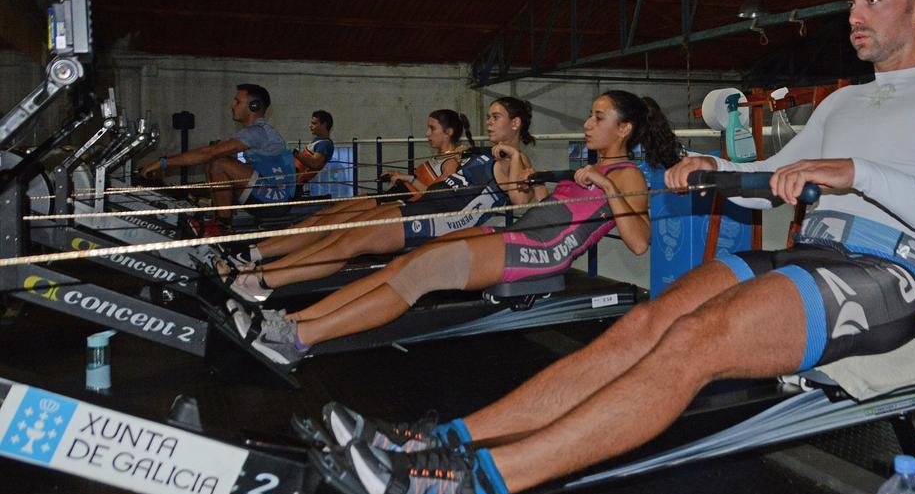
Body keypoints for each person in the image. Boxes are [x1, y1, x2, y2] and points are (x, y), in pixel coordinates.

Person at [307, 0, 915, 494]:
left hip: (888, 274)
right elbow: (769, 177)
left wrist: (859, 171)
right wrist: (713, 167)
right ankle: (445, 443)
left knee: (696, 343)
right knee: (644, 327)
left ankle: (472, 488)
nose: (854, 14)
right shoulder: (847, 100)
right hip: (813, 252)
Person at [241, 91, 683, 371]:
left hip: (537, 253)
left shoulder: (626, 175)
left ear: (624, 129)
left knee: (418, 276)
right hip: (520, 234)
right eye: (590, 115)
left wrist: (605, 186)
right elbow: (523, 203)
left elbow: (640, 242)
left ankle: (298, 341)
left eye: (598, 117)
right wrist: (515, 171)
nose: (587, 123)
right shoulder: (590, 167)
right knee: (402, 264)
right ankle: (292, 319)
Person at [225, 101, 533, 303]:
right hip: (426, 208)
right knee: (337, 233)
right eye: (489, 117)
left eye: (496, 117)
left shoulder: (514, 160)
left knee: (344, 243)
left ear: (515, 123)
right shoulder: (483, 153)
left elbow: (524, 198)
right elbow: (444, 186)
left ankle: (262, 280)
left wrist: (517, 158)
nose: (489, 122)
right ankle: (258, 272)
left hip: (438, 219)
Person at [240, 109, 480, 270]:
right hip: (391, 196)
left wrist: (406, 177)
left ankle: (260, 258)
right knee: (323, 217)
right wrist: (400, 176)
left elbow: (439, 197)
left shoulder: (451, 161)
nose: (427, 134)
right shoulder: (445, 156)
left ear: (448, 133)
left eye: (432, 128)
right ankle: (256, 251)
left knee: (330, 226)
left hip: (396, 205)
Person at [137, 84, 295, 236]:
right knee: (215, 161)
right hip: (268, 193)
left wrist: (162, 162)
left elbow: (210, 153)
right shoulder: (253, 133)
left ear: (254, 106)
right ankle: (217, 217)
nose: (232, 106)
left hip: (275, 199)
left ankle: (223, 226)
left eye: (237, 101)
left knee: (218, 162)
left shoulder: (257, 132)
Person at [293, 109, 335, 191]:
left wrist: (295, 153)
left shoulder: (325, 144)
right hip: (293, 179)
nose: (310, 126)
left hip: (295, 182)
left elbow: (314, 163)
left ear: (324, 125)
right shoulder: (317, 140)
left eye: (314, 123)